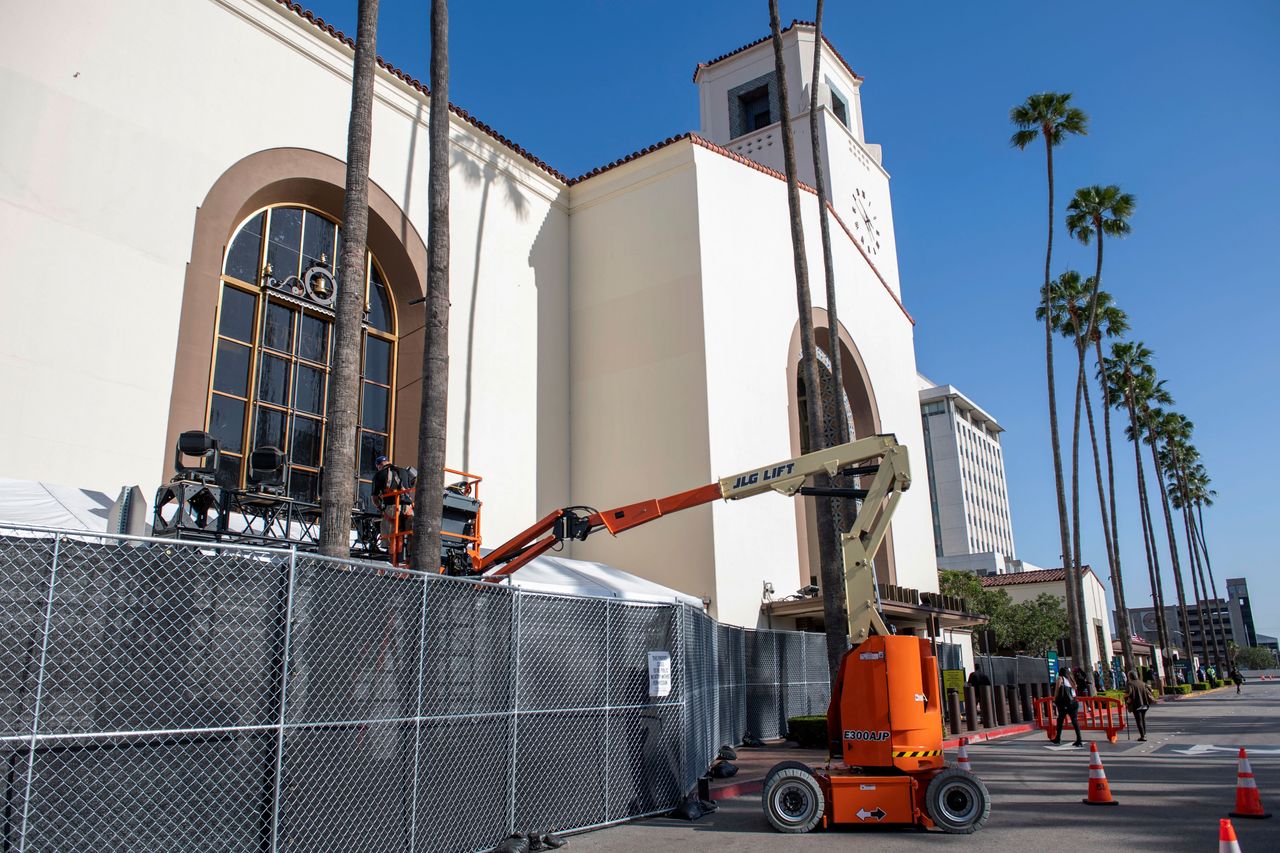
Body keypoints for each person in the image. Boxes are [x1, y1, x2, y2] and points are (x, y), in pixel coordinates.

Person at [371, 455, 413, 550]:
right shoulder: (404, 472)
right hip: (408, 508)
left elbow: (374, 498)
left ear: (379, 466)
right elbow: (409, 489)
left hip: (392, 508)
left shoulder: (379, 474)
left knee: (390, 533)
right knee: (409, 533)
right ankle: (409, 555)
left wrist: (380, 508)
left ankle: (393, 554)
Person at [1053, 673, 1083, 747]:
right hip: (1074, 702)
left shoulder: (1060, 678)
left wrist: (1055, 699)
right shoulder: (1071, 679)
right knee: (1074, 721)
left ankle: (1058, 738)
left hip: (1065, 703)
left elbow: (1057, 690)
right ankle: (1079, 740)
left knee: (1060, 720)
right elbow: (1075, 688)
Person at [1124, 670, 1156, 742]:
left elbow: (1129, 693)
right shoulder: (1142, 683)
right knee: (1143, 719)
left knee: (1139, 720)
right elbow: (1151, 690)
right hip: (1144, 704)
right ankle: (1144, 734)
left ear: (1130, 676)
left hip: (1136, 704)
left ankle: (1142, 736)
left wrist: (1125, 696)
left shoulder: (1130, 684)